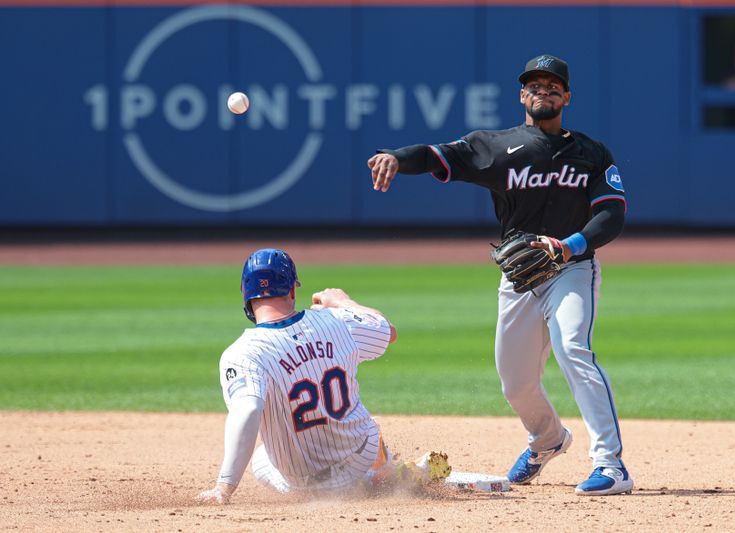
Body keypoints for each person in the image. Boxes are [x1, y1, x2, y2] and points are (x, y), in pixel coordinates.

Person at [367, 55, 633, 496]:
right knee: (516, 382)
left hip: (572, 268)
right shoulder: (496, 146)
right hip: (520, 277)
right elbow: (436, 156)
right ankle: (547, 439)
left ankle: (611, 464)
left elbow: (612, 213)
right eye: (534, 85)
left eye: (552, 85)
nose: (543, 91)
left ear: (566, 96)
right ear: (522, 96)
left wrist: (572, 246)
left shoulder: (592, 152)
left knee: (573, 348)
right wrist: (396, 156)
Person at [197, 248, 450, 503]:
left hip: (303, 483)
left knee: (261, 460)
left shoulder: (242, 353)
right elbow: (388, 331)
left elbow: (249, 411)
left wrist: (224, 487)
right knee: (369, 424)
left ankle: (354, 485)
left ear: (246, 296)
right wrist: (344, 302)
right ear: (293, 291)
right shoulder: (336, 320)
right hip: (359, 460)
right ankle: (380, 473)